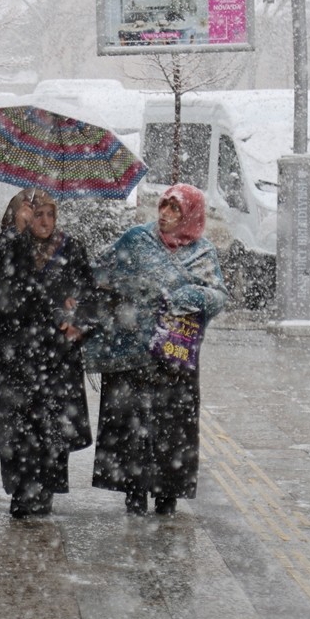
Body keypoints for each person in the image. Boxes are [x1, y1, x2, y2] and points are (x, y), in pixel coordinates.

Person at [78, 182, 228, 516]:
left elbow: (219, 296)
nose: (166, 214)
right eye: (164, 206)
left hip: (174, 356)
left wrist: (194, 296)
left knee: (171, 428)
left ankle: (167, 494)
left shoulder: (202, 253)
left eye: (175, 209)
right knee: (130, 426)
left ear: (191, 213)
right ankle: (133, 493)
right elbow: (100, 273)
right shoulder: (136, 240)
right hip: (131, 351)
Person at [0, 188, 93, 518]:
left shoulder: (71, 248)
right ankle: (22, 489)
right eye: (38, 214)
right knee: (17, 427)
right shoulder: (12, 246)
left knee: (51, 427)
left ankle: (45, 489)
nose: (46, 222)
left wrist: (77, 316)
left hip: (56, 356)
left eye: (50, 214)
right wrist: (13, 231)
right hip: (15, 354)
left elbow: (88, 293)